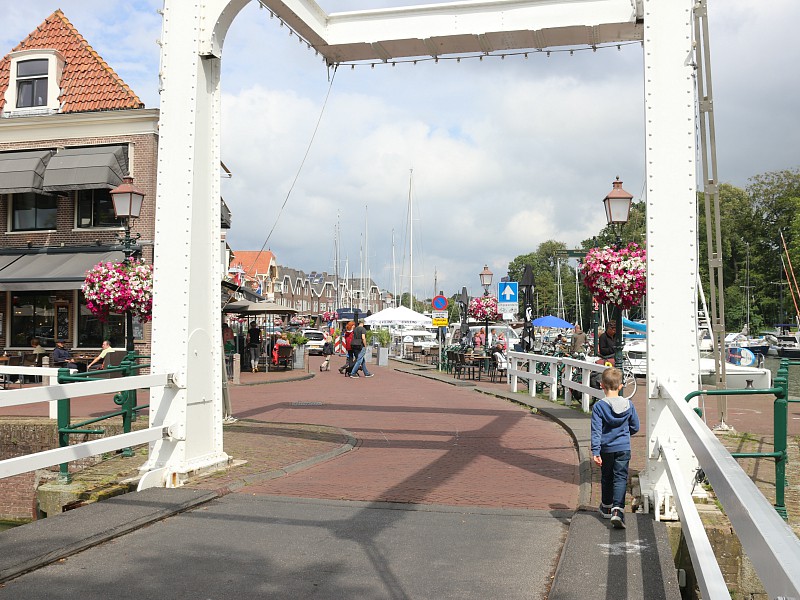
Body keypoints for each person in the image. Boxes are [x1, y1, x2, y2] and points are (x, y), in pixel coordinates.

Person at [591, 367, 640, 529]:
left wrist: (596, 451)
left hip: (606, 449)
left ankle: (606, 506)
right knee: (620, 478)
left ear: (601, 385)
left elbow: (596, 431)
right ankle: (618, 510)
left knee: (606, 477)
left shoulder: (599, 407)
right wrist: (625, 435)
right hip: (623, 448)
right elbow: (635, 427)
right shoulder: (629, 405)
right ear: (620, 386)